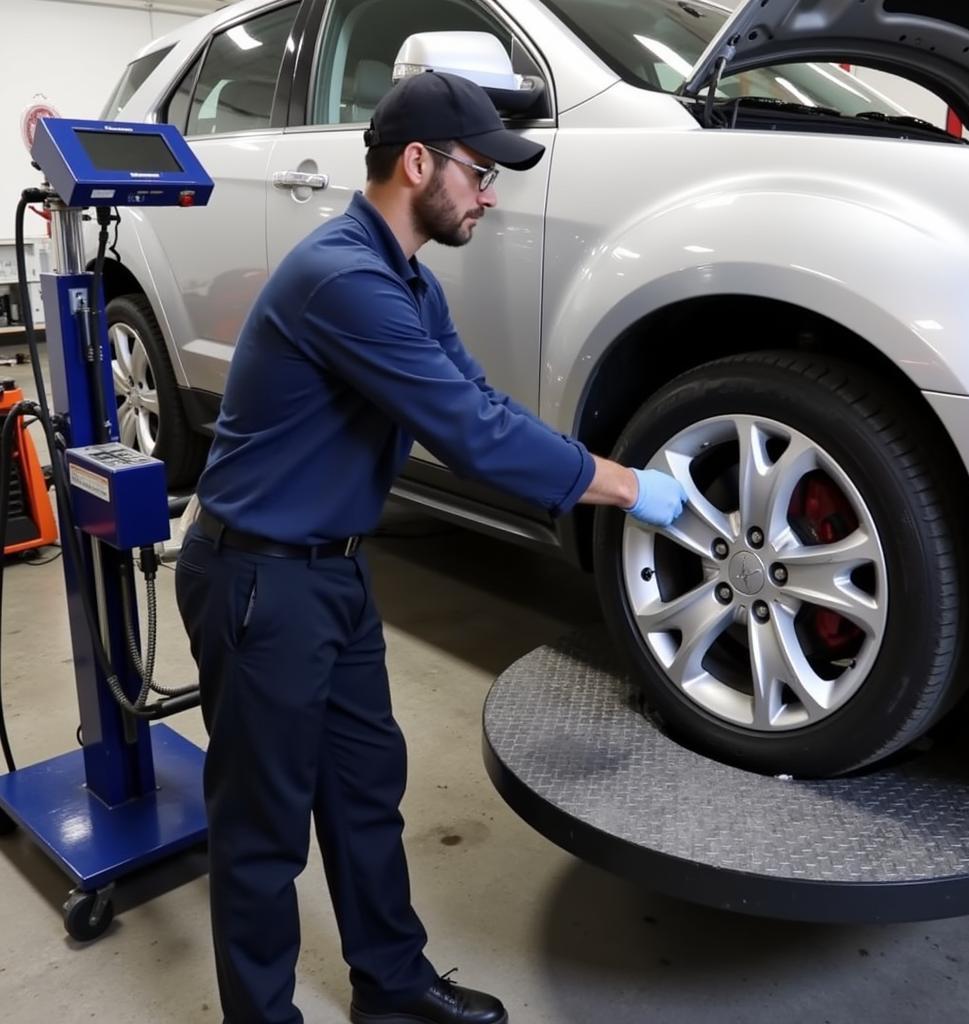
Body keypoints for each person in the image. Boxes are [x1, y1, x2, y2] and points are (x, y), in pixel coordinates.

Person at [175, 69, 687, 1024]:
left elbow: (482, 401)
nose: (490, 193)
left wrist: (592, 462)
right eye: (480, 171)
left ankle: (393, 987)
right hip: (257, 582)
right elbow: (470, 434)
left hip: (331, 571)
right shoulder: (345, 280)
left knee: (366, 792)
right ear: (419, 163)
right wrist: (633, 489)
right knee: (263, 831)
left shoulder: (404, 278)